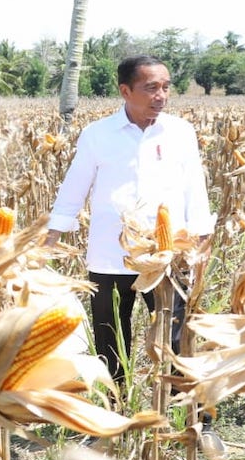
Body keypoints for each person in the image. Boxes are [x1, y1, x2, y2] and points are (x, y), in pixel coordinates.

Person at [45, 55, 214, 383]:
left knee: (174, 335)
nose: (161, 96)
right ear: (125, 90)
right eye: (151, 88)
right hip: (110, 254)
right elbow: (74, 187)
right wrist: (51, 237)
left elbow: (195, 187)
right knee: (109, 336)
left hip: (167, 256)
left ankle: (177, 405)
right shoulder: (98, 134)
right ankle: (115, 403)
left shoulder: (181, 132)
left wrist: (202, 239)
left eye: (165, 87)